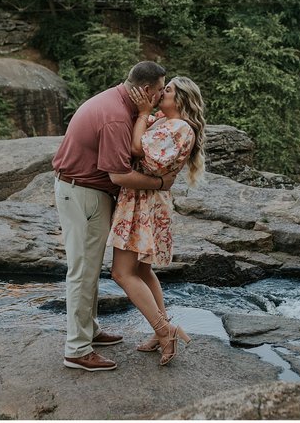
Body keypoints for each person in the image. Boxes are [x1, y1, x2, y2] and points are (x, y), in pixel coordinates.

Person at [51, 60, 178, 372]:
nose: (162, 95)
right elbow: (119, 175)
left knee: (90, 268)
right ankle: (77, 350)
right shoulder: (116, 117)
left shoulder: (119, 102)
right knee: (82, 271)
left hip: (86, 192)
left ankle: (89, 331)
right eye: (160, 90)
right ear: (146, 90)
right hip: (84, 194)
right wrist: (160, 183)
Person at [108, 76, 206, 366]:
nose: (162, 92)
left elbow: (138, 150)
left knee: (122, 273)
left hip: (145, 203)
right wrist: (145, 114)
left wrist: (141, 114)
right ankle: (160, 328)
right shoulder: (164, 120)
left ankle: (166, 332)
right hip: (142, 198)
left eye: (169, 89)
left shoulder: (181, 128)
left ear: (181, 99)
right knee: (142, 270)